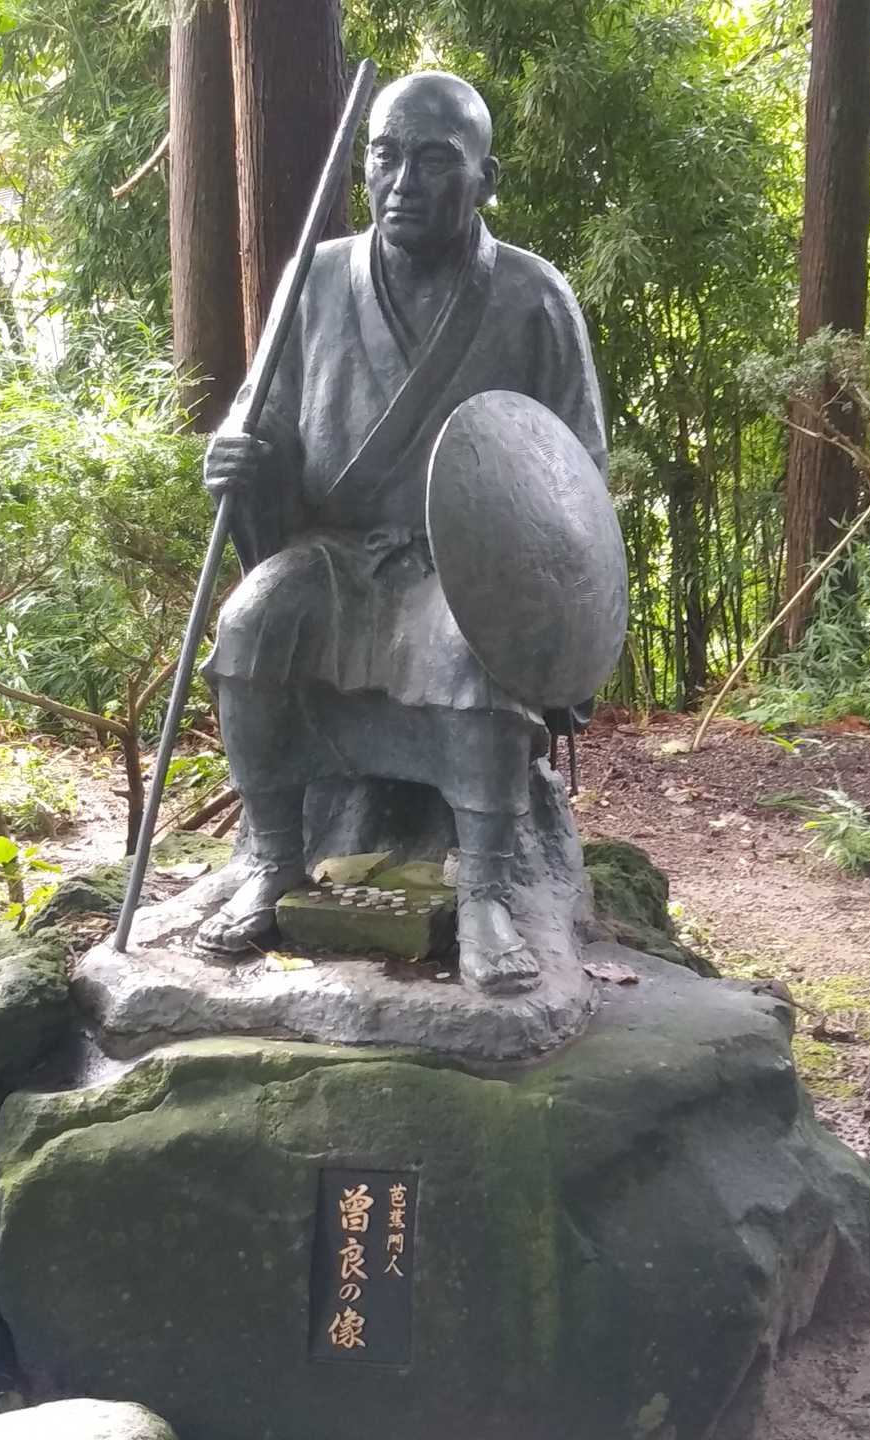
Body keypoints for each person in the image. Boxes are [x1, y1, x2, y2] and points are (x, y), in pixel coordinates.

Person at [197, 70, 607, 996]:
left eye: (434, 160)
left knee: (474, 650)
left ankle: (487, 893)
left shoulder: (533, 296)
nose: (404, 181)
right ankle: (272, 858)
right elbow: (270, 423)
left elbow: (575, 477)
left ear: (485, 178)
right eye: (385, 156)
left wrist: (506, 569)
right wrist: (241, 459)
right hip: (336, 559)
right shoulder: (316, 279)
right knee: (252, 623)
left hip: (470, 570)